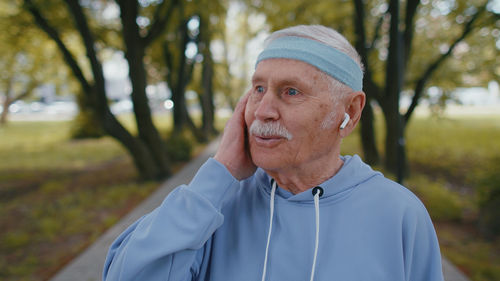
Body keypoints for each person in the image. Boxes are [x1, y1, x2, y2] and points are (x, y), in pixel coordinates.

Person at [103, 25, 444, 281]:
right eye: (258, 89)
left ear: (350, 112)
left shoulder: (400, 215)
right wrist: (219, 173)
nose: (263, 110)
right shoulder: (214, 205)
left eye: (291, 91)